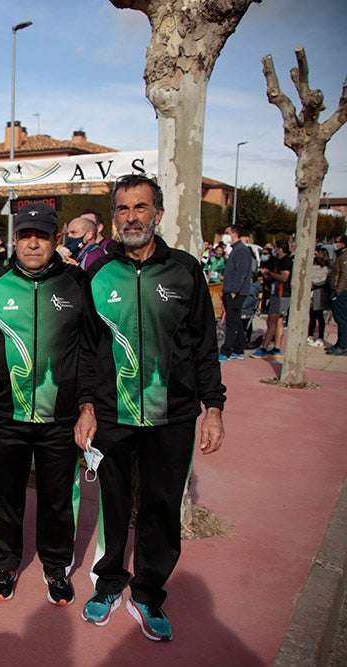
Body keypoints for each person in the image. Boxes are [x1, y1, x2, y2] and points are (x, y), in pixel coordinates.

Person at [77, 175, 225, 642]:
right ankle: (109, 584)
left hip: (173, 415)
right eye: (123, 209)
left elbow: (204, 344)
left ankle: (147, 594)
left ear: (157, 214)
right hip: (113, 413)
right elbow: (86, 348)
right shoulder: (98, 273)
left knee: (161, 506)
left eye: (141, 208)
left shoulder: (184, 270)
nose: (132, 217)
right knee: (115, 504)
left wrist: (213, 407)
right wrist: (85, 405)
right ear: (114, 217)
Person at [0, 202, 93, 606]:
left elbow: (92, 350)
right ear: (14, 240)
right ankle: (6, 565)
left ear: (55, 240)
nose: (32, 243)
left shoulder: (78, 284)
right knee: (3, 495)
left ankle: (56, 567)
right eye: (25, 235)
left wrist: (87, 405)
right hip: (8, 415)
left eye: (41, 236)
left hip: (60, 417)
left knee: (59, 498)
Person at [252, 239, 292, 359]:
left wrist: (270, 273)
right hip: (275, 292)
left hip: (281, 294)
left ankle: (264, 347)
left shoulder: (286, 261)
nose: (274, 250)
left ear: (280, 248)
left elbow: (284, 278)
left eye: (276, 248)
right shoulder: (277, 261)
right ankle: (276, 348)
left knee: (272, 321)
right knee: (279, 321)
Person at [219, 225, 253, 361]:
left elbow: (241, 272)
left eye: (227, 233)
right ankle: (239, 348)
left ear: (234, 234)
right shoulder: (235, 250)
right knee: (236, 320)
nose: (225, 235)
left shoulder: (241, 250)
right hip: (230, 290)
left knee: (231, 322)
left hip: (235, 292)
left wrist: (234, 290)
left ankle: (226, 351)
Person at [327, 235, 347, 355]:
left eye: (336, 242)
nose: (334, 244)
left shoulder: (344, 256)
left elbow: (345, 275)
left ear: (343, 244)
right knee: (340, 319)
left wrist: (338, 291)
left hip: (341, 293)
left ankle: (343, 345)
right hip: (338, 292)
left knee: (342, 319)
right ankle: (340, 343)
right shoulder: (340, 256)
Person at [308, 247, 331, 348]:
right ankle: (310, 335)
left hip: (320, 293)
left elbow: (323, 280)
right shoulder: (313, 266)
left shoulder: (327, 268)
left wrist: (314, 283)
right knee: (312, 315)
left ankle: (321, 337)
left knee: (319, 316)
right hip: (312, 293)